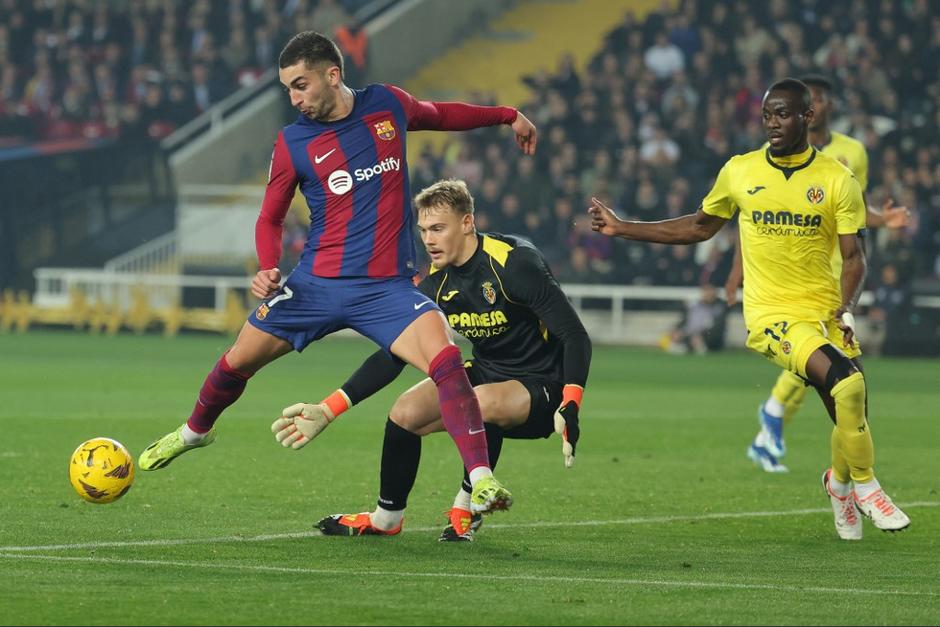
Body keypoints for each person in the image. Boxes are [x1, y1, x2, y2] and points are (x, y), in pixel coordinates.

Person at [137, 31, 539, 516]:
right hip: (315, 286)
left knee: (446, 358)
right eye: (288, 89)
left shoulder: (387, 105)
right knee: (236, 361)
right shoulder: (292, 142)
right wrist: (268, 266)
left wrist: (506, 115)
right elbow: (270, 217)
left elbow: (441, 114)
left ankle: (480, 478)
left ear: (333, 75)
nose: (294, 98)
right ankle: (196, 431)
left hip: (385, 289)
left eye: (301, 85)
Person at [588, 78, 910, 540]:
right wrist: (624, 228)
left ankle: (838, 484)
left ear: (808, 117)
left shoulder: (838, 179)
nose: (773, 123)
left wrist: (846, 306)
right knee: (848, 381)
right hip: (771, 315)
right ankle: (868, 488)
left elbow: (855, 257)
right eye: (767, 115)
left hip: (823, 312)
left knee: (851, 407)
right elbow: (700, 227)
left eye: (783, 114)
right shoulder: (739, 171)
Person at [269, 179, 592, 540]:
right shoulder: (434, 286)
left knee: (478, 401)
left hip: (544, 385)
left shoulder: (514, 264)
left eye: (438, 228)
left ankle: (466, 505)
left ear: (467, 223)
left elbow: (574, 335)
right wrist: (329, 408)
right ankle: (386, 518)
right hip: (487, 372)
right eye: (423, 230)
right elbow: (394, 356)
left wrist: (571, 402)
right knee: (405, 412)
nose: (428, 239)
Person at [723, 75, 911, 473]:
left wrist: (882, 219)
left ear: (819, 108)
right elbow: (755, 217)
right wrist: (737, 270)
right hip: (792, 282)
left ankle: (780, 426)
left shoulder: (850, 154)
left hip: (836, 275)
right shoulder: (766, 158)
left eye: (824, 99)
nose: (820, 105)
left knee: (837, 373)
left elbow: (854, 207)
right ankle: (781, 420)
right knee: (829, 366)